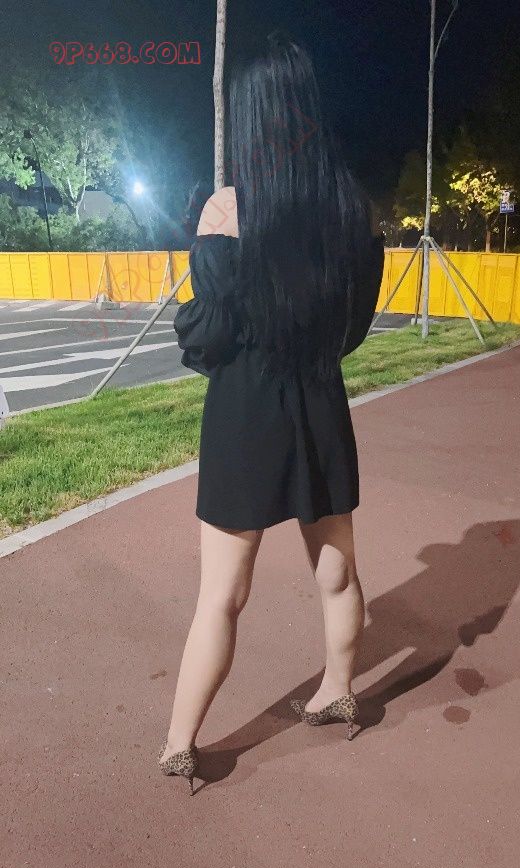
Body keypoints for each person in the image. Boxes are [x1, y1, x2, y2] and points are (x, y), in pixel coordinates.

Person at [158, 29, 385, 792]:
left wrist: (210, 249)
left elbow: (207, 337)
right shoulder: (349, 206)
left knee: (221, 596)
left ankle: (181, 741)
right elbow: (354, 326)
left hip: (245, 413)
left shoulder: (228, 209)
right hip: (320, 400)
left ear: (248, 115)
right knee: (336, 571)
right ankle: (337, 690)